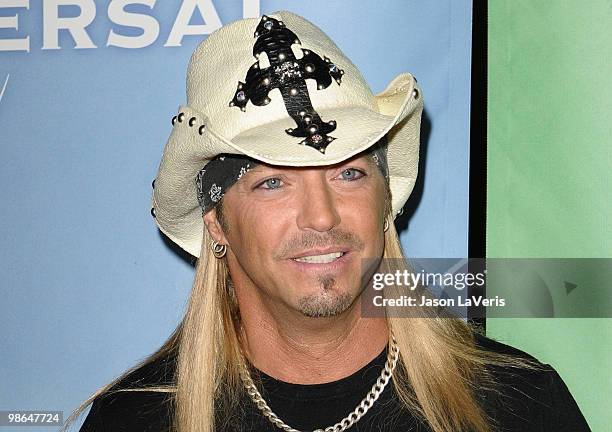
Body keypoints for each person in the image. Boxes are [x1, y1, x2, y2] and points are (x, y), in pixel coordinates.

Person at [67, 10, 590, 432]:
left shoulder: (519, 405)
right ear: (217, 224)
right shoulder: (135, 418)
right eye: (273, 182)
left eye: (349, 175)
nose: (322, 215)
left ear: (384, 202)